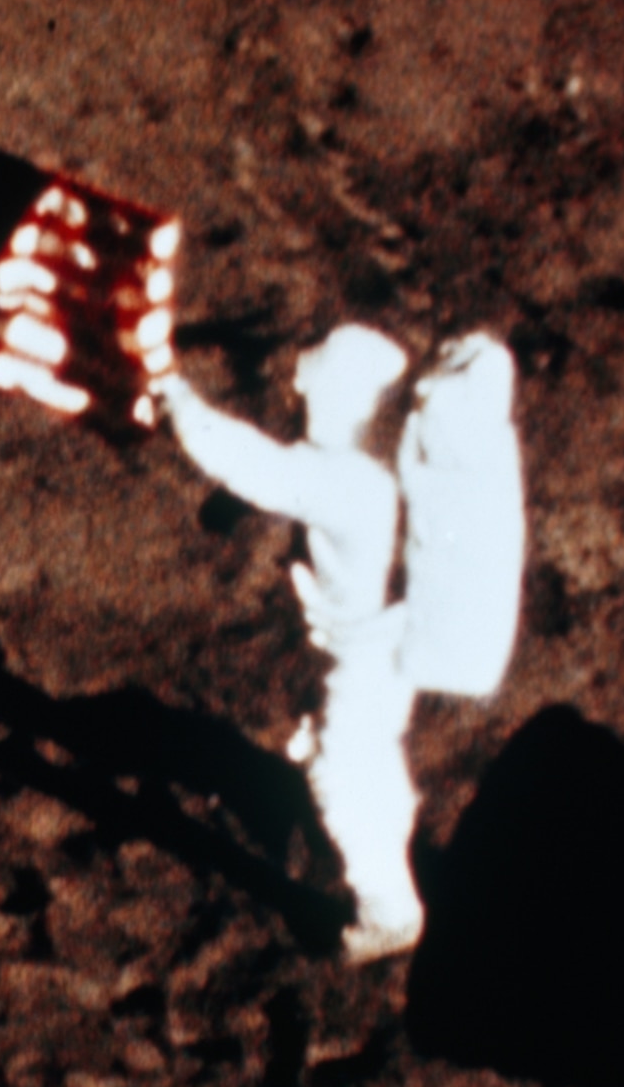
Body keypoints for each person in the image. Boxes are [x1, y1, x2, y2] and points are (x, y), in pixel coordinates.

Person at [155, 323, 523, 962]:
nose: (298, 395)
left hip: (369, 655)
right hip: (394, 639)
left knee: (340, 770)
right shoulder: (378, 467)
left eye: (309, 386)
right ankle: (388, 820)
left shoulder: (346, 483)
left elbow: (254, 466)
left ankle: (389, 911)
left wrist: (179, 401)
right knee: (366, 748)